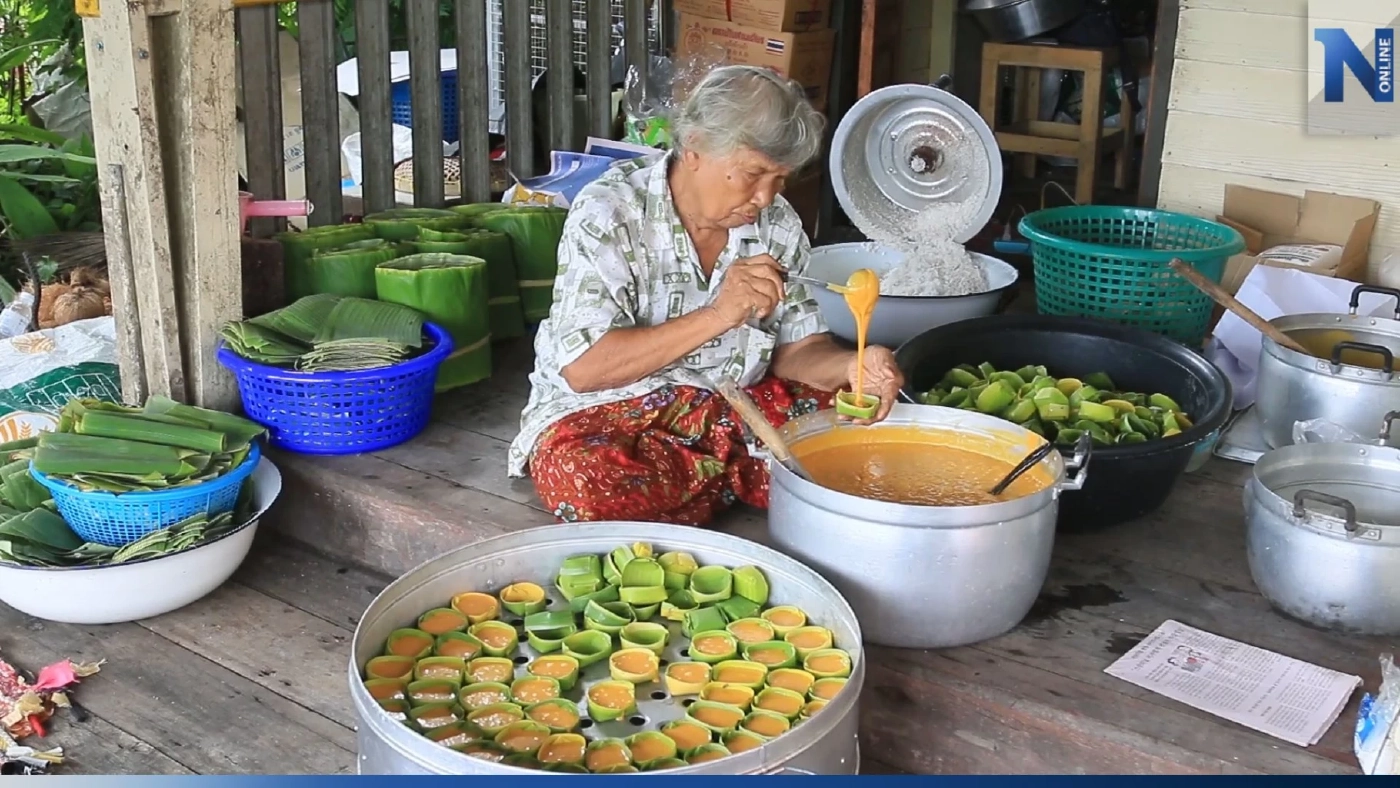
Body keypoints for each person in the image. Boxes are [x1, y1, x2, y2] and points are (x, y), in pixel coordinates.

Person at [507, 65, 904, 526]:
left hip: (733, 402)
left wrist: (849, 367)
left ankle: (709, 473)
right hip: (609, 410)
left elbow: (799, 349)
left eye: (779, 180)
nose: (763, 197)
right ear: (694, 146)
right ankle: (736, 471)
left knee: (859, 435)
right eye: (752, 174)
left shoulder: (777, 223)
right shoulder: (609, 213)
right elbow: (586, 369)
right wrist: (718, 314)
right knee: (585, 479)